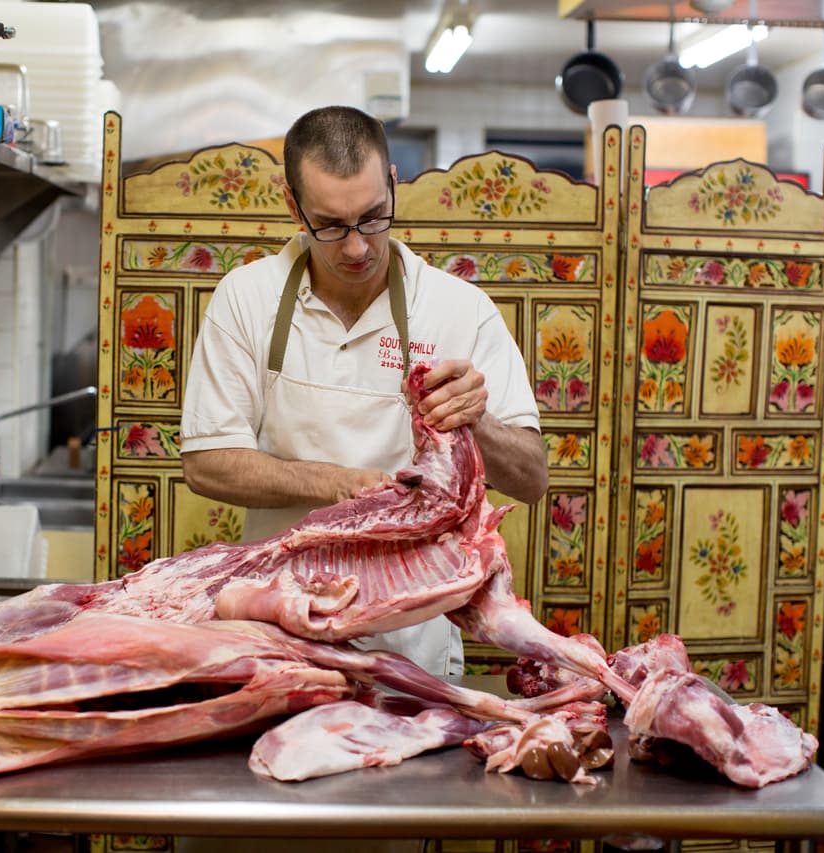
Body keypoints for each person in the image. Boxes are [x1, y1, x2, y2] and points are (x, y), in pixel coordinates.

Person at [180, 105, 549, 680]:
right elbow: (206, 464)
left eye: (374, 218)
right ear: (292, 205)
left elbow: (531, 478)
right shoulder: (246, 299)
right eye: (330, 225)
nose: (356, 247)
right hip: (280, 629)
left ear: (394, 186)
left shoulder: (458, 309)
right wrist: (341, 485)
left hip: (412, 641)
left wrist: (477, 421)